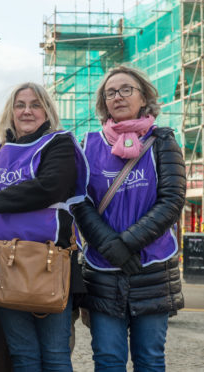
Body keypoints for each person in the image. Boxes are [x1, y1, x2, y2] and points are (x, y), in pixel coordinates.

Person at [71, 65, 185, 371]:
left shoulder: (162, 141)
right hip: (103, 271)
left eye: (126, 90)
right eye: (111, 92)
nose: (118, 97)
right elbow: (80, 202)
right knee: (108, 359)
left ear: (143, 97)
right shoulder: (88, 145)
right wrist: (110, 245)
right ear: (104, 103)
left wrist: (128, 242)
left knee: (150, 359)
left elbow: (172, 200)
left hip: (153, 268)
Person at [0, 82, 88, 371]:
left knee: (55, 354)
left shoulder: (59, 144)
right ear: (10, 112)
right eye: (20, 105)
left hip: (47, 261)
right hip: (3, 262)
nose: (27, 111)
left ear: (47, 112)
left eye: (35, 105)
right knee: (23, 355)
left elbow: (49, 187)